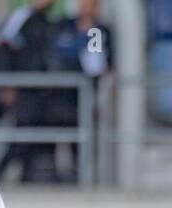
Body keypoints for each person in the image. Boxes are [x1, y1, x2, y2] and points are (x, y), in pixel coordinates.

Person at [0, 0, 58, 183]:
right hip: (24, 88)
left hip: (40, 90)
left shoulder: (47, 21)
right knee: (21, 135)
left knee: (34, 140)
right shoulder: (21, 17)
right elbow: (4, 48)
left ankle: (26, 179)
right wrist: (7, 83)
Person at [48, 0, 112, 183]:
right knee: (52, 140)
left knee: (82, 142)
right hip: (59, 95)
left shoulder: (98, 31)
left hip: (85, 98)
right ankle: (53, 178)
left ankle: (80, 180)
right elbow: (55, 54)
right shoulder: (64, 25)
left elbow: (100, 66)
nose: (87, 6)